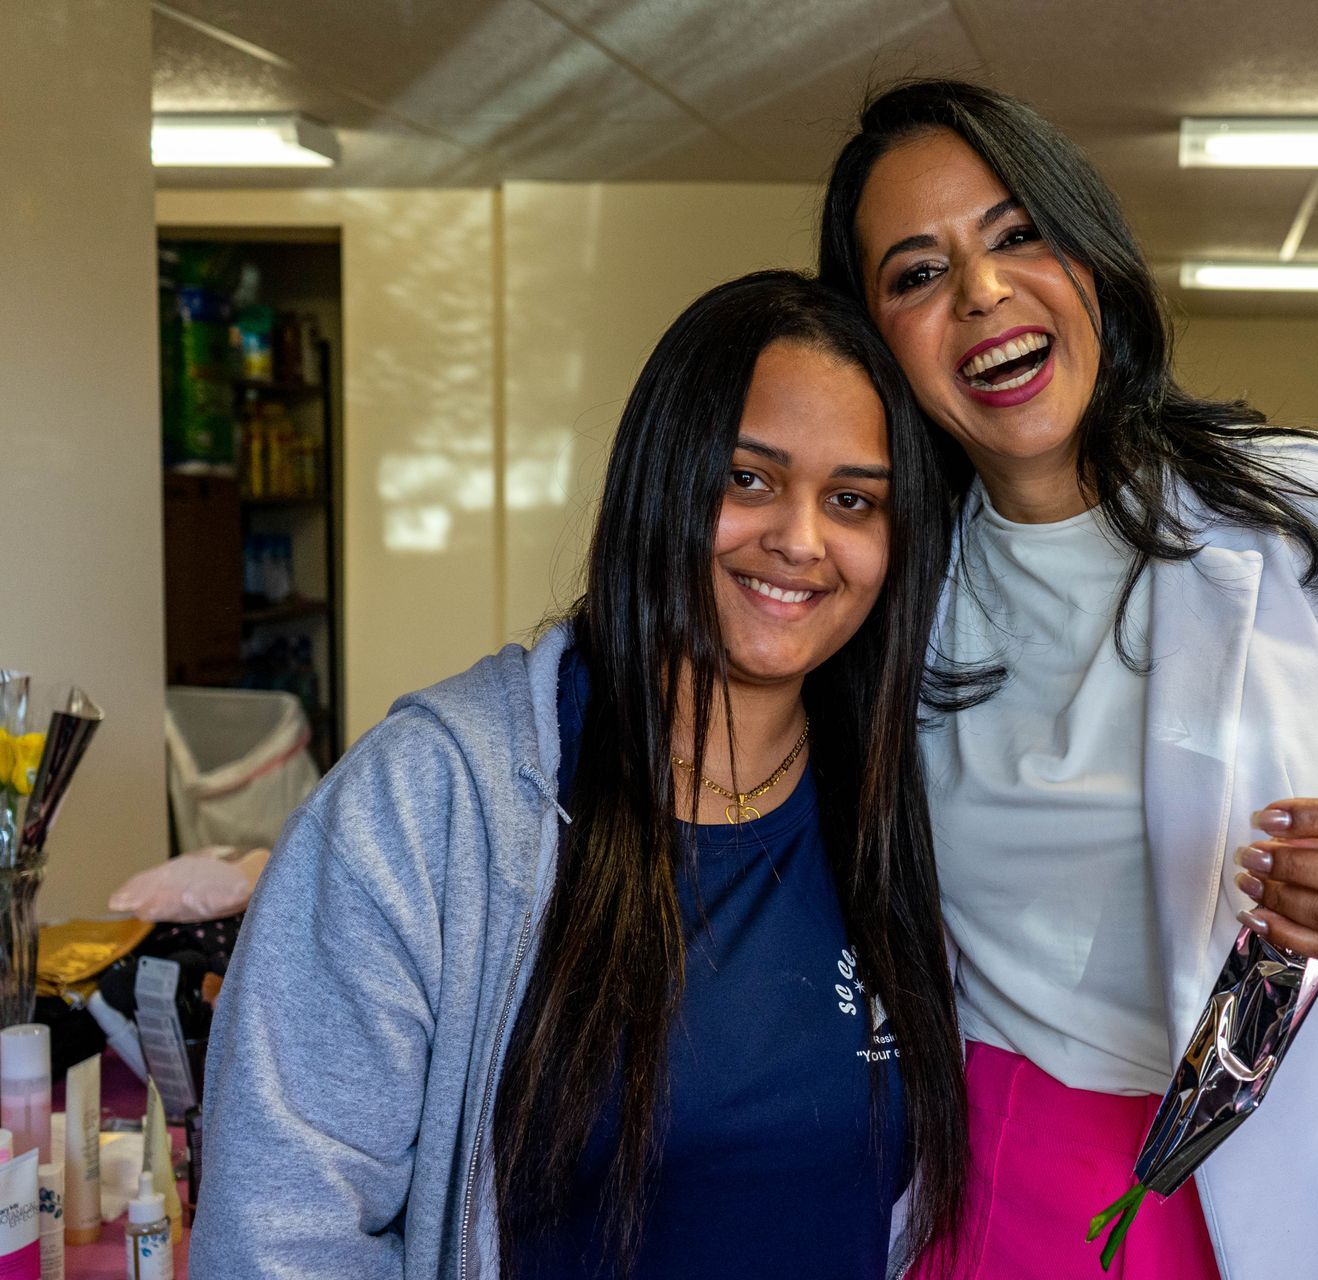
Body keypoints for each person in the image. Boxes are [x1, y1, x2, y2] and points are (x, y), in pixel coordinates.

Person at [818, 80, 1318, 1280]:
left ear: (1092, 256)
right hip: (1010, 1174)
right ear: (877, 338)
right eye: (916, 273)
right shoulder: (886, 592)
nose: (981, 294)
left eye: (1018, 234)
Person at [192, 271, 968, 1278]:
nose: (801, 539)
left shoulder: (902, 806)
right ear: (662, 477)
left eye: (854, 499)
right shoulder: (435, 799)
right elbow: (282, 1227)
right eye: (748, 478)